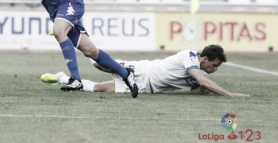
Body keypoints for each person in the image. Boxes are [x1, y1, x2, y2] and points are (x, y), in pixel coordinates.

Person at [41, 45, 249, 97]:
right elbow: (203, 81)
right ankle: (73, 35)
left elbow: (197, 88)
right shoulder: (189, 56)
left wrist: (201, 92)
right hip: (143, 70)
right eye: (214, 65)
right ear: (204, 59)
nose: (214, 70)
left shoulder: (198, 73)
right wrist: (229, 94)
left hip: (145, 87)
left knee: (98, 89)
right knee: (96, 63)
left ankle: (61, 77)